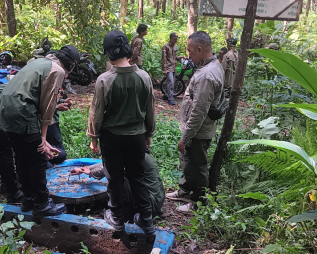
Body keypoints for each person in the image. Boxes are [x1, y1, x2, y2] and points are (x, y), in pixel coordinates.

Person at [0, 45, 81, 217]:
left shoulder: (40, 62)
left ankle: (28, 199)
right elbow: (47, 106)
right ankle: (41, 203)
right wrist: (43, 138)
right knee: (38, 158)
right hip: (22, 110)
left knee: (22, 156)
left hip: (5, 107)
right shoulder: (57, 70)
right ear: (70, 65)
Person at [87, 30, 156, 234]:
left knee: (114, 178)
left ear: (108, 53)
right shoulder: (144, 77)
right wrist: (148, 134)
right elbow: (150, 110)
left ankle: (116, 216)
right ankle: (146, 218)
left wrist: (93, 137)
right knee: (137, 177)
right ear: (127, 49)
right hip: (136, 137)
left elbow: (96, 112)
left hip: (112, 138)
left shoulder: (104, 80)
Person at [166, 31, 224, 212]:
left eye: (190, 51)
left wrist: (186, 136)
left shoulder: (207, 74)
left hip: (199, 131)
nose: (188, 54)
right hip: (198, 129)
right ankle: (184, 191)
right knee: (188, 161)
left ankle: (198, 203)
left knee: (197, 166)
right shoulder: (211, 65)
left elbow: (199, 110)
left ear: (200, 49)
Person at [70, 148, 165, 219]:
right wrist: (86, 169)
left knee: (116, 179)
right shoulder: (137, 151)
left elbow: (111, 168)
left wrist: (90, 172)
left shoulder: (131, 157)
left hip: (150, 206)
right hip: (157, 200)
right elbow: (109, 164)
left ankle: (120, 215)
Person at [162, 32, 184, 106]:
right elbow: (164, 58)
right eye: (174, 39)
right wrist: (164, 68)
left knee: (172, 82)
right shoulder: (165, 46)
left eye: (176, 39)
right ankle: (170, 98)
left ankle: (166, 95)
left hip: (173, 67)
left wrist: (181, 57)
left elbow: (174, 57)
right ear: (171, 38)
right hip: (168, 67)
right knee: (171, 83)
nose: (176, 40)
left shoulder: (174, 46)